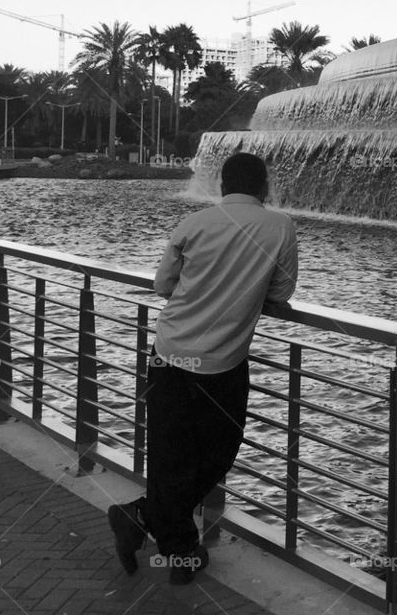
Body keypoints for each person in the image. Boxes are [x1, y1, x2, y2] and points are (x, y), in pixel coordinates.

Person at [108, 152, 297, 583]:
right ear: (263, 186)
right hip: (224, 362)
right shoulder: (280, 226)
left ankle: (141, 517)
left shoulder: (193, 225)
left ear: (221, 185)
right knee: (219, 453)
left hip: (170, 353)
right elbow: (282, 292)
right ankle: (178, 550)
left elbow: (162, 286)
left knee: (170, 453)